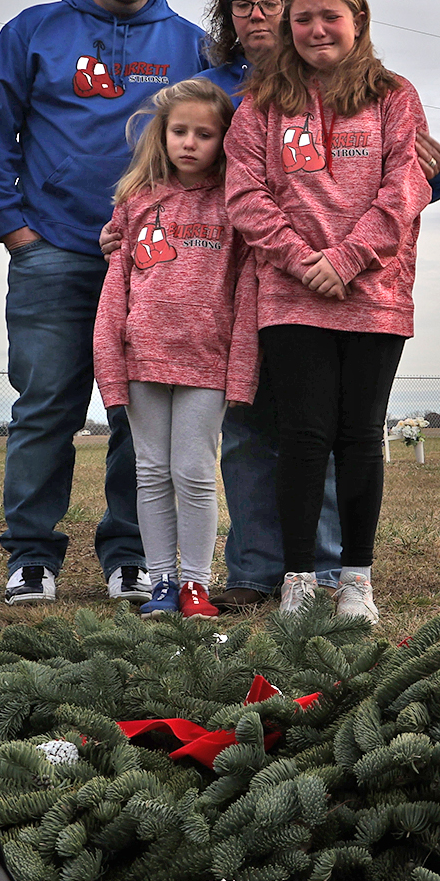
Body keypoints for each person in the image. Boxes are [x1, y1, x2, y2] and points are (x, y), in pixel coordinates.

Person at [0, 0, 208, 605]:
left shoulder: (191, 45)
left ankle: (132, 554)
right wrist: (15, 228)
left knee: (142, 411)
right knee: (46, 404)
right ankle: (31, 557)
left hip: (156, 265)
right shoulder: (35, 32)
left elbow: (245, 126)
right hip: (55, 254)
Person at [194, 0, 440, 611]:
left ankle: (356, 579)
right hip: (291, 294)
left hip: (375, 294)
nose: (314, 28)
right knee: (304, 437)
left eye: (328, 16)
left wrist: (348, 259)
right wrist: (302, 258)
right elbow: (245, 195)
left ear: (357, 20)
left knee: (359, 436)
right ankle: (301, 581)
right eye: (302, 17)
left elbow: (406, 185)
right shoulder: (260, 106)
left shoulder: (395, 96)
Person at [92, 78, 251, 620]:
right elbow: (116, 291)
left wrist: (242, 372)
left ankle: (196, 587)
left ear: (224, 140)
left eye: (203, 134)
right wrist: (110, 368)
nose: (189, 143)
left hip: (208, 363)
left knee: (195, 472)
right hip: (143, 362)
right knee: (151, 472)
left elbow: (246, 295)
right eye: (179, 131)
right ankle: (161, 584)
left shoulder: (237, 207)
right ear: (162, 135)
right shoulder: (135, 203)